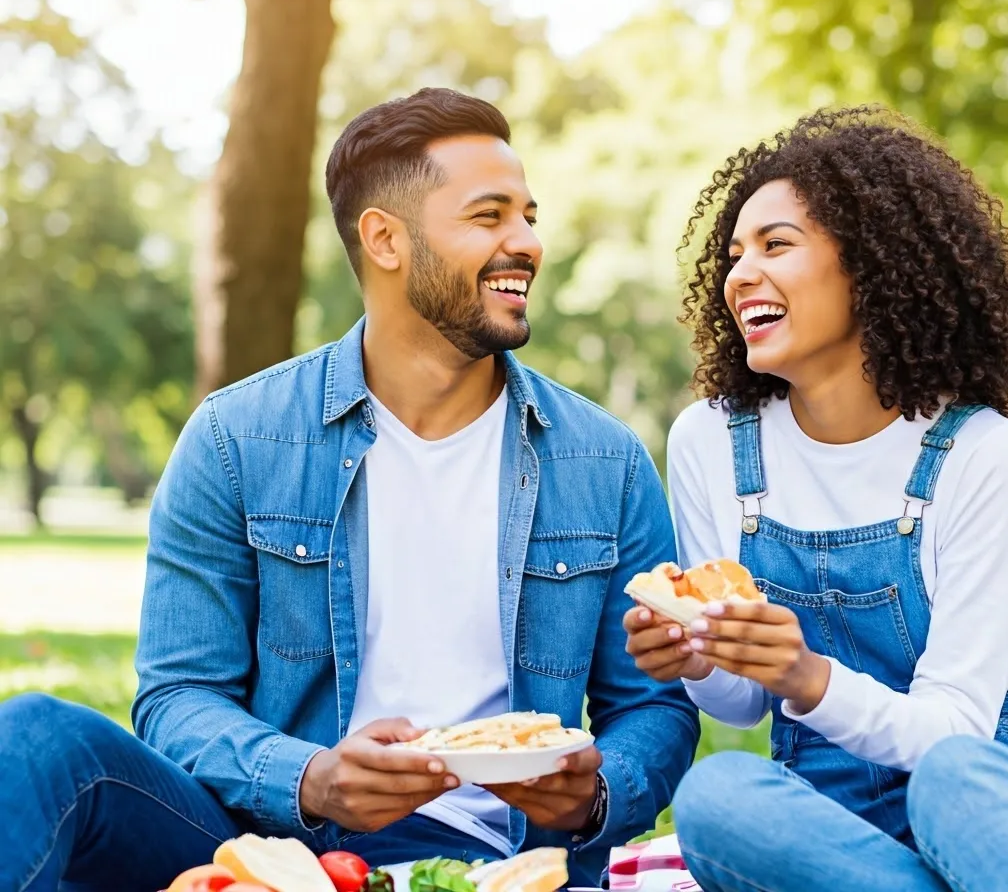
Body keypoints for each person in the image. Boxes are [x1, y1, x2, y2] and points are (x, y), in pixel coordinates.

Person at [2, 87, 699, 892]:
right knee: (34, 739)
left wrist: (596, 789)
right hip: (269, 850)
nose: (527, 243)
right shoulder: (237, 439)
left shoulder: (604, 461)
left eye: (529, 215)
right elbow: (178, 697)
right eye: (490, 216)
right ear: (385, 240)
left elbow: (655, 709)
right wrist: (309, 778)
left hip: (503, 863)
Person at [623, 106, 1008, 891]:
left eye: (776, 245)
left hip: (998, 795)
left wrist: (809, 676)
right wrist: (695, 655)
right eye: (734, 254)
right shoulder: (709, 440)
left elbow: (955, 727)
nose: (740, 273)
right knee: (716, 795)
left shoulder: (978, 452)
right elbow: (741, 706)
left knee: (952, 775)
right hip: (833, 818)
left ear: (875, 264)